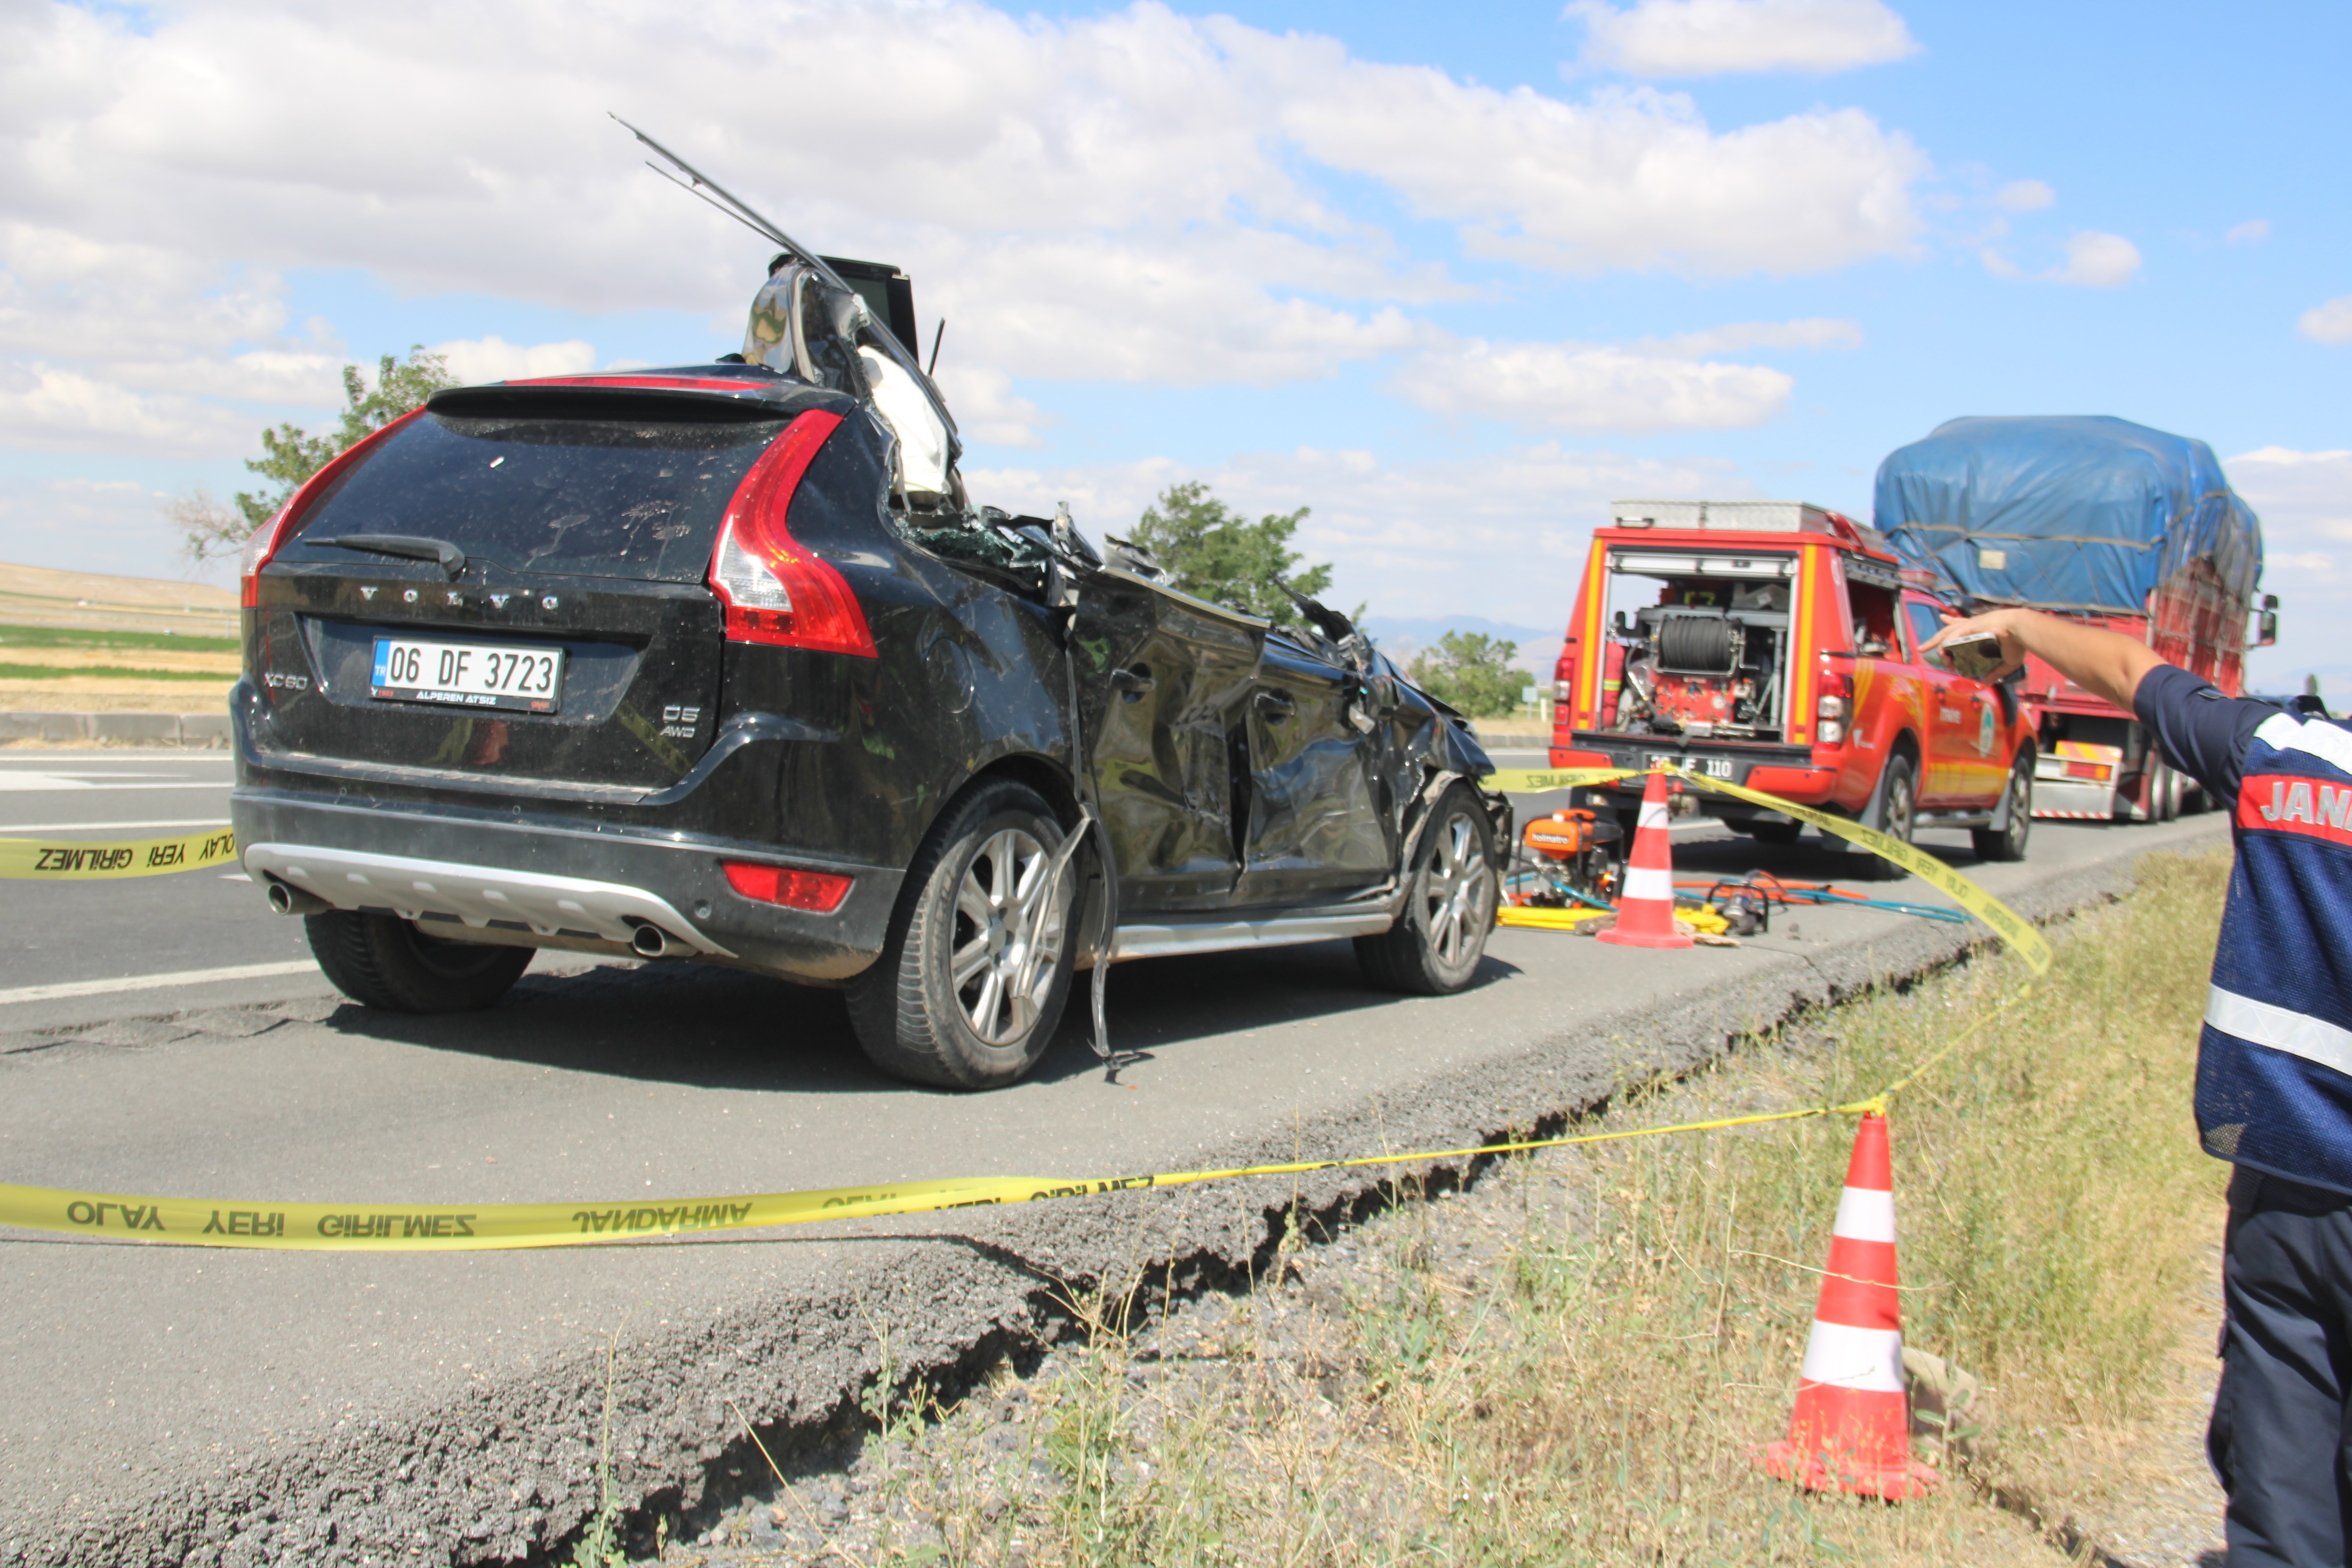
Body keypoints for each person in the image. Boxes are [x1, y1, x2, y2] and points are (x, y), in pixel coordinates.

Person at [1926, 606, 2352, 1567]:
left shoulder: (2291, 755)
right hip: (2288, 1199)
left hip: (2288, 1204)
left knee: (2283, 1501)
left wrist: (2022, 626)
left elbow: (2130, 671)